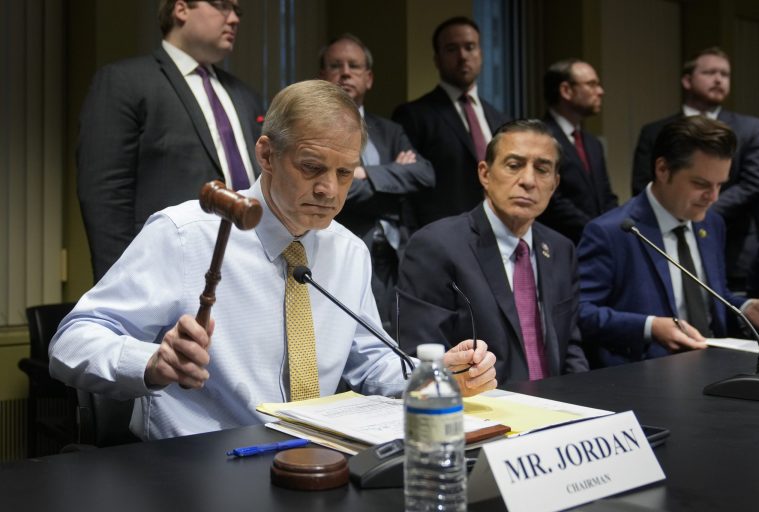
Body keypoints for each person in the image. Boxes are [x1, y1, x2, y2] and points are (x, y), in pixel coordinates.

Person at [49, 80, 497, 441]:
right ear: (266, 154)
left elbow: (373, 363)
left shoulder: (348, 252)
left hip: (315, 463)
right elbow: (71, 343)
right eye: (311, 168)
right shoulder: (185, 234)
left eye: (345, 173)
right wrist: (150, 363)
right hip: (198, 469)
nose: (330, 190)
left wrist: (438, 377)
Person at [77, 0, 264, 281]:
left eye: (238, 10)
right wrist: (120, 284)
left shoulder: (245, 96)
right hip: (163, 270)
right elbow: (105, 196)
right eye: (224, 6)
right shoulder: (125, 82)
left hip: (248, 269)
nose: (234, 18)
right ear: (181, 9)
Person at [396, 119, 588, 387]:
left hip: (559, 410)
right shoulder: (436, 245)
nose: (528, 181)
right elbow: (422, 357)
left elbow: (571, 347)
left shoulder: (560, 249)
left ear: (555, 184)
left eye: (542, 170)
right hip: (481, 412)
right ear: (485, 174)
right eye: (514, 165)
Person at [580, 116, 759, 367]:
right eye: (700, 184)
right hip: (645, 374)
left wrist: (746, 307)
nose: (712, 197)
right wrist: (650, 327)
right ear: (662, 170)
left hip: (716, 365)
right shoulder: (613, 232)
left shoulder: (712, 223)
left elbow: (712, 295)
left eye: (719, 185)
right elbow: (580, 312)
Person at [318, 34, 434, 333]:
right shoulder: (316, 132)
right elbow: (337, 192)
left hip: (399, 257)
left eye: (354, 66)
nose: (345, 72)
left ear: (368, 78)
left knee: (399, 340)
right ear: (322, 76)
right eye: (335, 65)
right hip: (345, 251)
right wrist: (395, 176)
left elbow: (424, 175)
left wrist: (365, 173)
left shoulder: (390, 130)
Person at [631, 47, 759, 291]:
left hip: (733, 250)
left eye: (725, 74)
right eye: (710, 72)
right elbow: (643, 183)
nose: (719, 79)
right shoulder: (655, 130)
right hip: (664, 243)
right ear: (687, 80)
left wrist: (700, 209)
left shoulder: (751, 128)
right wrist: (677, 212)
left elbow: (755, 183)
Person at [392, 16, 509, 227]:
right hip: (442, 234)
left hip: (499, 228)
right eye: (452, 49)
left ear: (481, 54)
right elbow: (407, 189)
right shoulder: (414, 115)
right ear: (437, 59)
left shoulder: (500, 119)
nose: (463, 56)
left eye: (470, 47)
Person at [539, 59, 618, 244]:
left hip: (598, 245)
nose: (600, 91)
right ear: (566, 90)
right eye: (592, 84)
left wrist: (614, 226)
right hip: (560, 245)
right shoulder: (540, 138)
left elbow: (606, 195)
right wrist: (597, 230)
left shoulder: (593, 143)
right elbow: (552, 200)